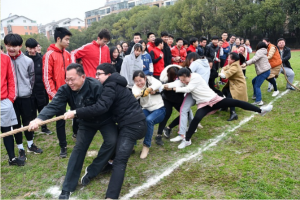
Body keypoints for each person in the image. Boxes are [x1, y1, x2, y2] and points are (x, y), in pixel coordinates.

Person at [28, 64, 118, 199]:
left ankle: (92, 170)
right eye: (67, 79)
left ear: (83, 77)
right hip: (86, 122)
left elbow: (102, 107)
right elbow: (54, 105)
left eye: (72, 79)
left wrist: (76, 112)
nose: (69, 83)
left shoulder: (96, 86)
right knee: (79, 149)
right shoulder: (65, 89)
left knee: (112, 141)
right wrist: (39, 119)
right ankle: (67, 188)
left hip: (104, 119)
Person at [65, 63, 147, 199]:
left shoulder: (110, 86)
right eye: (96, 73)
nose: (96, 76)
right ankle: (107, 164)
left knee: (120, 161)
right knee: (113, 141)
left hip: (132, 127)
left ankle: (111, 196)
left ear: (108, 75)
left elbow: (101, 107)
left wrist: (76, 112)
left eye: (99, 74)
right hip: (132, 124)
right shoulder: (116, 83)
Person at [164, 68, 273, 149]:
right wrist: (166, 85)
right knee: (196, 118)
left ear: (188, 75)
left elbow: (188, 88)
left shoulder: (195, 77)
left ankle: (261, 110)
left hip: (214, 99)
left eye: (184, 79)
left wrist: (174, 88)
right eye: (181, 80)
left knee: (236, 102)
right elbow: (178, 83)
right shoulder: (185, 80)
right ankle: (187, 140)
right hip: (204, 104)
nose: (183, 81)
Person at [4, 34, 43, 160]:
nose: (12, 48)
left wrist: (27, 90)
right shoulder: (4, 60)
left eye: (14, 46)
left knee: (28, 122)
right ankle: (20, 148)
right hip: (11, 99)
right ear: (5, 46)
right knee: (16, 125)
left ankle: (30, 145)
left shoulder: (28, 60)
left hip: (26, 97)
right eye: (9, 45)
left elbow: (31, 79)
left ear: (20, 46)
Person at [43, 27, 72, 157]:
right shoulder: (49, 55)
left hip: (71, 91)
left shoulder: (67, 54)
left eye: (69, 39)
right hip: (58, 94)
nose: (68, 42)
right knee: (60, 120)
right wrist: (55, 95)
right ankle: (63, 146)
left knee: (78, 113)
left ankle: (80, 135)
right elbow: (46, 77)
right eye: (66, 39)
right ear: (58, 39)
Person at [169, 53, 210, 142]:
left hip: (195, 92)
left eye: (189, 59)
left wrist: (174, 87)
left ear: (192, 59)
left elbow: (185, 76)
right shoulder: (206, 63)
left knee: (184, 110)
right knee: (185, 110)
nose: (189, 62)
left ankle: (183, 133)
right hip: (202, 92)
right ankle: (189, 129)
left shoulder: (194, 67)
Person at [132, 70, 166, 158]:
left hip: (159, 109)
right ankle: (131, 144)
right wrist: (139, 94)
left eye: (140, 80)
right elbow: (135, 94)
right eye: (136, 81)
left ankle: (146, 146)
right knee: (135, 119)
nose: (139, 83)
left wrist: (149, 89)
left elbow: (159, 83)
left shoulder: (151, 80)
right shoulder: (135, 87)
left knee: (149, 120)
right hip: (146, 109)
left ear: (145, 78)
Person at [25, 38, 52, 134]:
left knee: (43, 109)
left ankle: (44, 128)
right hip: (29, 91)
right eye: (30, 48)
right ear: (26, 48)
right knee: (31, 111)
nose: (33, 51)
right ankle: (31, 130)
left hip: (41, 89)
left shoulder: (41, 59)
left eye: (34, 48)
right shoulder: (24, 60)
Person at [1, 51, 22, 166]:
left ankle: (12, 158)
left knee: (7, 131)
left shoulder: (5, 58)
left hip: (4, 101)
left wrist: (10, 99)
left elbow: (11, 79)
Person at [156, 65, 183, 144]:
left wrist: (174, 88)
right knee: (166, 114)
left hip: (178, 100)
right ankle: (158, 135)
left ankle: (168, 128)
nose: (175, 78)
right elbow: (160, 90)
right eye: (173, 76)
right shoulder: (164, 81)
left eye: (176, 76)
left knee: (185, 113)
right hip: (168, 99)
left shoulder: (180, 78)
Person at [219, 52, 248, 121]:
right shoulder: (232, 64)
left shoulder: (235, 66)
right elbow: (224, 68)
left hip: (238, 85)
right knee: (225, 92)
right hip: (233, 84)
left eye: (229, 58)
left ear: (233, 60)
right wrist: (223, 71)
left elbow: (225, 75)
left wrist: (218, 74)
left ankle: (233, 113)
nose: (228, 59)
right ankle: (224, 107)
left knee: (230, 98)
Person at [242, 42, 271, 106]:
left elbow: (254, 59)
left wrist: (246, 63)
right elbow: (255, 60)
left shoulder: (260, 51)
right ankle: (255, 95)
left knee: (257, 86)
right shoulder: (264, 51)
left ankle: (259, 100)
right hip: (266, 70)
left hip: (263, 71)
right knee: (254, 81)